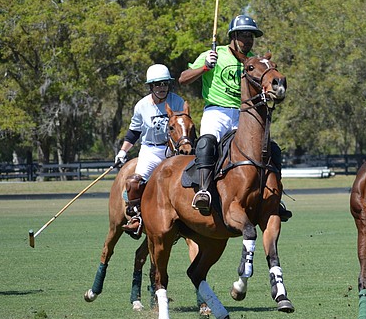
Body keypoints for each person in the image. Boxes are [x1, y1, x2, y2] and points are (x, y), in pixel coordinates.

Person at [179, 14, 291, 220]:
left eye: (251, 36)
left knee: (271, 148)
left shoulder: (253, 62)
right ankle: (203, 190)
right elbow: (183, 78)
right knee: (206, 143)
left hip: (244, 114)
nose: (248, 39)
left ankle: (275, 196)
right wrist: (204, 66)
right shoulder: (215, 54)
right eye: (244, 35)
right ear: (233, 36)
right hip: (217, 111)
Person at [114, 64, 189, 238]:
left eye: (164, 83)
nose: (162, 88)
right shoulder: (141, 106)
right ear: (151, 86)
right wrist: (122, 152)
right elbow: (134, 133)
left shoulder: (177, 101)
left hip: (172, 151)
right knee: (134, 183)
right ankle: (136, 218)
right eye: (157, 84)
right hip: (151, 150)